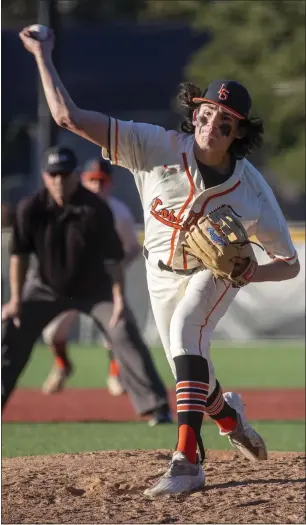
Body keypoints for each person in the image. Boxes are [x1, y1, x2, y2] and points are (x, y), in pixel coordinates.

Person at [18, 26, 300, 497]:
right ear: (196, 112)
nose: (213, 124)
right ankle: (229, 415)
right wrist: (42, 53)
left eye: (226, 121)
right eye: (208, 112)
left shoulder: (252, 191)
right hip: (158, 273)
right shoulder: (154, 146)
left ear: (240, 133)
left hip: (213, 275)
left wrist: (253, 273)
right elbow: (67, 117)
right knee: (189, 369)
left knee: (189, 332)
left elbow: (288, 263)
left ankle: (187, 463)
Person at [1, 145, 172, 427]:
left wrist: (118, 301)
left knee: (123, 330)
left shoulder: (95, 208)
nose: (59, 180)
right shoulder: (30, 208)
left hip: (96, 290)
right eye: (53, 174)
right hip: (45, 287)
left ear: (75, 176)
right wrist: (16, 300)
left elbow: (114, 260)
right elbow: (19, 257)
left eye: (65, 174)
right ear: (44, 176)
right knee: (12, 328)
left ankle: (157, 407)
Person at [41, 157, 142, 397]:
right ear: (81, 181)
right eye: (92, 180)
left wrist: (115, 269)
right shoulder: (63, 206)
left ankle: (115, 373)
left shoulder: (119, 212)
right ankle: (63, 365)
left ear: (110, 184)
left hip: (102, 284)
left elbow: (134, 248)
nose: (97, 186)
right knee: (52, 333)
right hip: (70, 282)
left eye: (102, 181)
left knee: (116, 330)